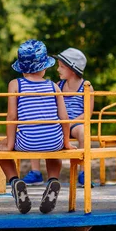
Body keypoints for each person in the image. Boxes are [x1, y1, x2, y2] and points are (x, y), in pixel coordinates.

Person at [0, 39, 74, 214]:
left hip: (27, 142)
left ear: (21, 67)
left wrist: (8, 145)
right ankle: (53, 180)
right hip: (54, 141)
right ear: (44, 67)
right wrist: (66, 143)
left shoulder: (15, 85)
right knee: (54, 152)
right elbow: (64, 118)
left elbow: (12, 117)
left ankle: (14, 181)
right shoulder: (54, 86)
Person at [25, 47, 95, 187]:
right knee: (36, 128)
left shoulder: (86, 87)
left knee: (83, 132)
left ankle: (84, 173)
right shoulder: (58, 85)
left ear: (73, 69)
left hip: (75, 123)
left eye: (62, 67)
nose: (58, 70)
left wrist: (69, 123)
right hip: (59, 123)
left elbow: (87, 114)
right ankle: (36, 172)